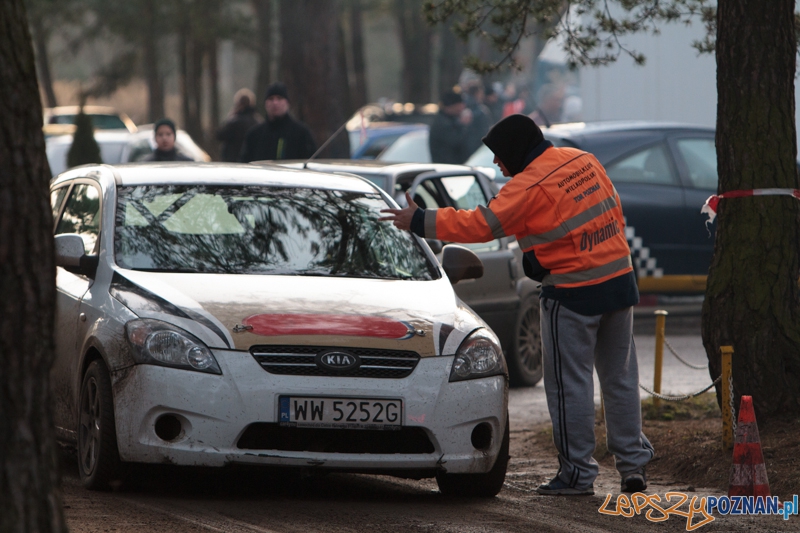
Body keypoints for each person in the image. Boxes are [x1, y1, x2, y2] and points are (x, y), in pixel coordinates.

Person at [379, 114, 654, 496]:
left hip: (572, 293)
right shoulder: (583, 160)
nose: (496, 163)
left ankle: (577, 474)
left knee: (569, 386)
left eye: (498, 155)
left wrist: (419, 219)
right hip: (619, 282)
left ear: (514, 151)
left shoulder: (526, 187)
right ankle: (634, 467)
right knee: (621, 380)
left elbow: (480, 224)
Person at [239, 82, 316, 162]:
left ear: (287, 102)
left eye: (279, 98)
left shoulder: (301, 134)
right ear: (265, 103)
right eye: (271, 99)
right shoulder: (254, 135)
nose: (275, 103)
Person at [216, 88, 262, 162]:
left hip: (233, 162)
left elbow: (219, 135)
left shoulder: (234, 122)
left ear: (239, 104)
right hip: (253, 163)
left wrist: (229, 117)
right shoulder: (258, 122)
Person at [428, 89, 471, 164]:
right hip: (447, 167)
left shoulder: (450, 120)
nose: (462, 109)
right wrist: (463, 125)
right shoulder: (442, 124)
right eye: (458, 107)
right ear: (450, 107)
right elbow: (456, 142)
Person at [463, 83, 493, 156]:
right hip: (477, 147)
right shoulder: (481, 111)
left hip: (464, 148)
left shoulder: (462, 106)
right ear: (478, 93)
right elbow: (485, 132)